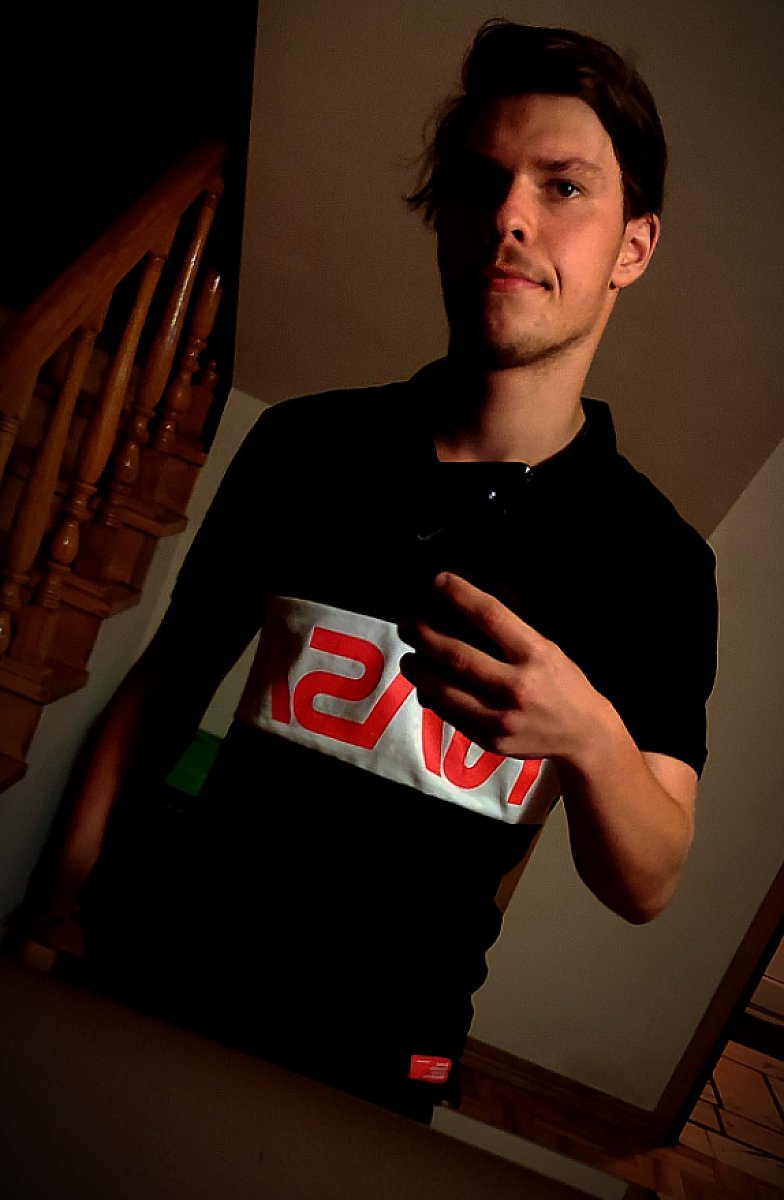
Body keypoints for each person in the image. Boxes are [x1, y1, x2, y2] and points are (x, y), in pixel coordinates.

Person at [64, 20, 718, 1125]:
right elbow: (166, 684)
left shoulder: (656, 561)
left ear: (633, 246)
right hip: (162, 973)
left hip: (381, 1052)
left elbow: (647, 883)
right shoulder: (306, 447)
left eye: (563, 187)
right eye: (481, 182)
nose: (510, 216)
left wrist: (588, 735)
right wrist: (60, 899)